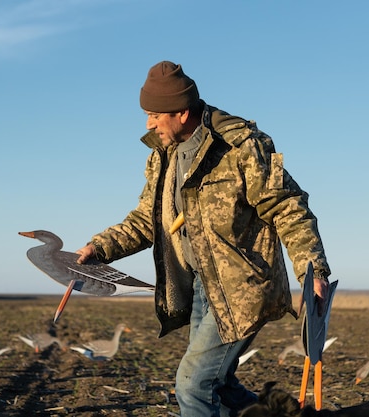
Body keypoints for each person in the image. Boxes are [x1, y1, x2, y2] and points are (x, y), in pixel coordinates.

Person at [75, 60, 331, 417]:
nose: (148, 123)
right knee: (218, 385)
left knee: (194, 384)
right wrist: (99, 248)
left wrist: (312, 269)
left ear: (181, 112)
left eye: (154, 115)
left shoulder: (242, 145)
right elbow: (146, 220)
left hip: (243, 290)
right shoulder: (162, 156)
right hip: (201, 288)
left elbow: (287, 205)